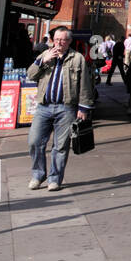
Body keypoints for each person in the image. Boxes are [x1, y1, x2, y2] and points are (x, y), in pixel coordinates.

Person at [25, 27, 96, 191]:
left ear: (69, 41)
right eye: (55, 40)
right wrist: (42, 61)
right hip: (44, 107)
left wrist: (84, 108)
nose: (57, 43)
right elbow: (30, 75)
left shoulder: (77, 59)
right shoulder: (45, 55)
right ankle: (38, 175)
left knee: (61, 146)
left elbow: (85, 85)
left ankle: (54, 179)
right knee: (34, 142)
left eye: (61, 40)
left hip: (66, 108)